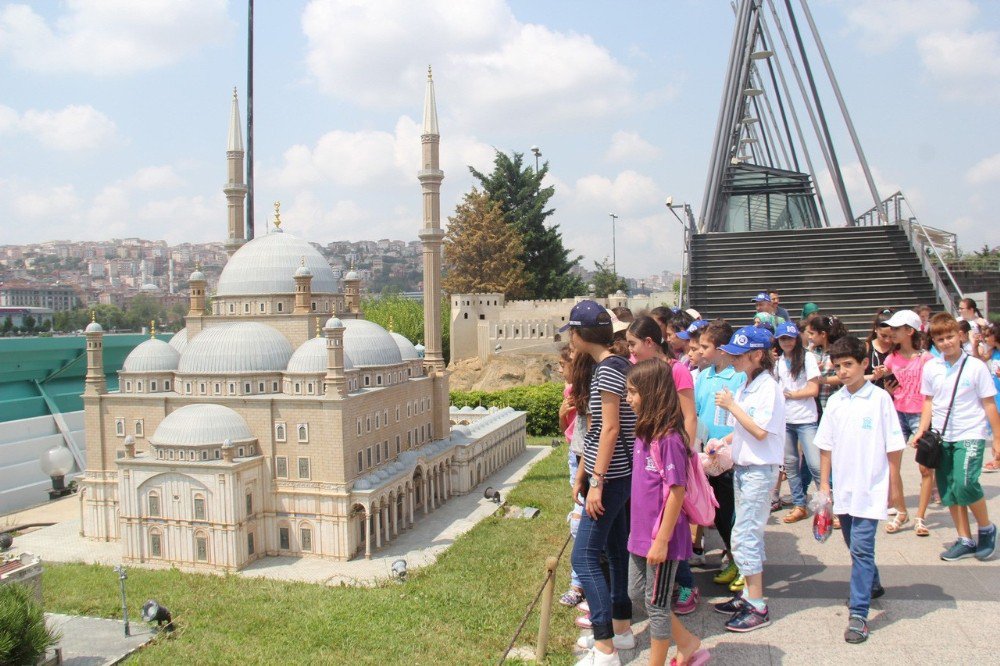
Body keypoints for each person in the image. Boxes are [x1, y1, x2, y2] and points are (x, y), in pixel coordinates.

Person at [618, 360, 709, 666]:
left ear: (653, 393)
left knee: (656, 604)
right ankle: (687, 642)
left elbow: (676, 491)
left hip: (662, 538)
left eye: (633, 392)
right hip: (640, 534)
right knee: (636, 592)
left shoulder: (669, 438)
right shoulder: (645, 433)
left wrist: (661, 540)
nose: (628, 399)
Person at [816, 335, 906, 644]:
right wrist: (825, 486)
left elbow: (894, 447)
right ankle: (873, 583)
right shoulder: (836, 401)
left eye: (848, 365)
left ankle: (858, 613)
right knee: (855, 546)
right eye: (838, 366)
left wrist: (895, 487)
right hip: (844, 490)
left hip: (871, 488)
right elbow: (825, 447)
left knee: (863, 548)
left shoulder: (879, 399)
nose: (842, 371)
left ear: (864, 364)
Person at [564, 300, 636, 666]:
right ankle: (621, 628)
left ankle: (605, 646)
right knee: (615, 550)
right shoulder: (616, 364)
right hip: (617, 474)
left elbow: (609, 428)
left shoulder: (607, 370)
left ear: (579, 334)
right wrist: (583, 472)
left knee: (585, 556)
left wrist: (596, 481)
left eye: (571, 334)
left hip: (610, 477)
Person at [625, 316, 700, 615]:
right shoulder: (641, 374)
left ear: (650, 343)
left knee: (669, 531)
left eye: (633, 345)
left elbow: (689, 415)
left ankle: (686, 585)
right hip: (653, 450)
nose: (630, 352)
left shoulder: (677, 371)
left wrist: (687, 454)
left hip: (669, 454)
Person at [712, 326, 785, 632]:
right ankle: (746, 596)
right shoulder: (747, 384)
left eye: (740, 355)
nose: (734, 360)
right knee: (744, 532)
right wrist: (725, 441)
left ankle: (757, 604)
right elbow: (742, 428)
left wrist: (732, 406)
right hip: (744, 467)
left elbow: (759, 430)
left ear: (757, 355)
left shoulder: (769, 388)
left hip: (759, 469)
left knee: (745, 535)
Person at [915, 313, 1000, 562]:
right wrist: (922, 429)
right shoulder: (931, 367)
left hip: (970, 433)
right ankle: (964, 538)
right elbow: (928, 401)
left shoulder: (975, 366)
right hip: (942, 436)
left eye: (950, 336)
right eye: (940, 338)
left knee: (965, 483)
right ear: (934, 340)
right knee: (949, 489)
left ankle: (986, 528)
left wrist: (997, 438)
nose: (946, 342)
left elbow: (989, 404)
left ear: (960, 336)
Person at [694, 320, 746, 591]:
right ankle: (731, 554)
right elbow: (697, 411)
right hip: (708, 454)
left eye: (705, 346)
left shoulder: (738, 377)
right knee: (719, 512)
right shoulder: (703, 376)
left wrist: (725, 442)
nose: (700, 351)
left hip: (730, 454)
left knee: (734, 511)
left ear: (722, 349)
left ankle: (741, 562)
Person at [879, 310, 931, 535]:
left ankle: (920, 516)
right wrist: (882, 376)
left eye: (897, 329)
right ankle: (901, 510)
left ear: (910, 331)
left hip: (921, 412)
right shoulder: (892, 357)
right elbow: (885, 375)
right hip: (898, 411)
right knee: (892, 465)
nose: (892, 333)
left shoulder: (926, 358)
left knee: (925, 468)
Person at [774, 322, 822, 524]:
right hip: (785, 420)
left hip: (806, 419)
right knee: (791, 465)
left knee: (816, 464)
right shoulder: (778, 362)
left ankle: (828, 505)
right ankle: (799, 504)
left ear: (797, 339)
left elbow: (814, 389)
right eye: (783, 338)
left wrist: (791, 395)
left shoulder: (807, 358)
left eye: (790, 338)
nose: (786, 342)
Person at [560, 345, 592, 607]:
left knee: (579, 524)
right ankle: (579, 583)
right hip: (578, 457)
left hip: (587, 464)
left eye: (564, 365)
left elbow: (592, 437)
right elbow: (570, 433)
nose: (560, 371)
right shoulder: (570, 391)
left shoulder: (588, 392)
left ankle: (579, 585)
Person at [981, 322, 1000, 473]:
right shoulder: (993, 352)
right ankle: (997, 459)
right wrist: (975, 345)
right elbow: (980, 360)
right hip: (996, 394)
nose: (986, 338)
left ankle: (997, 459)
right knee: (996, 428)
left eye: (989, 335)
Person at [865, 309, 894, 389]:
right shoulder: (866, 347)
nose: (887, 340)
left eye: (891, 336)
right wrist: (873, 376)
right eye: (883, 336)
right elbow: (855, 377)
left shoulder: (899, 349)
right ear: (876, 329)